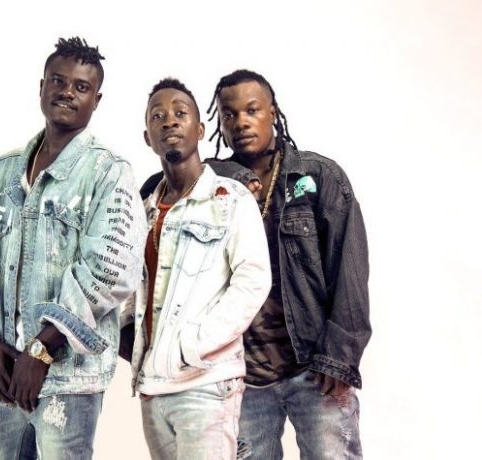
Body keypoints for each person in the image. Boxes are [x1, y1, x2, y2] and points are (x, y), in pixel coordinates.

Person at [0, 37, 146, 459]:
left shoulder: (109, 173)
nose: (67, 92)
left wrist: (43, 347)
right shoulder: (0, 171)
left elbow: (112, 268)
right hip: (3, 375)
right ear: (41, 86)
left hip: (68, 380)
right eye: (58, 81)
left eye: (81, 87)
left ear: (97, 100)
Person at [203, 69, 371, 459]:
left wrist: (339, 357)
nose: (240, 122)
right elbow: (159, 188)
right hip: (242, 377)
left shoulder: (318, 177)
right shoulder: (211, 186)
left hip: (315, 368)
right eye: (229, 114)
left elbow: (350, 270)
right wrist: (226, 173)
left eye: (252, 110)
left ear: (273, 112)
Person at [120, 78, 271, 459]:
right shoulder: (143, 210)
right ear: (148, 137)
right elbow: (132, 288)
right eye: (158, 116)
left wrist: (194, 345)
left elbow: (254, 280)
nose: (169, 121)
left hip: (205, 383)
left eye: (180, 113)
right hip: (153, 385)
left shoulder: (230, 199)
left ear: (200, 130)